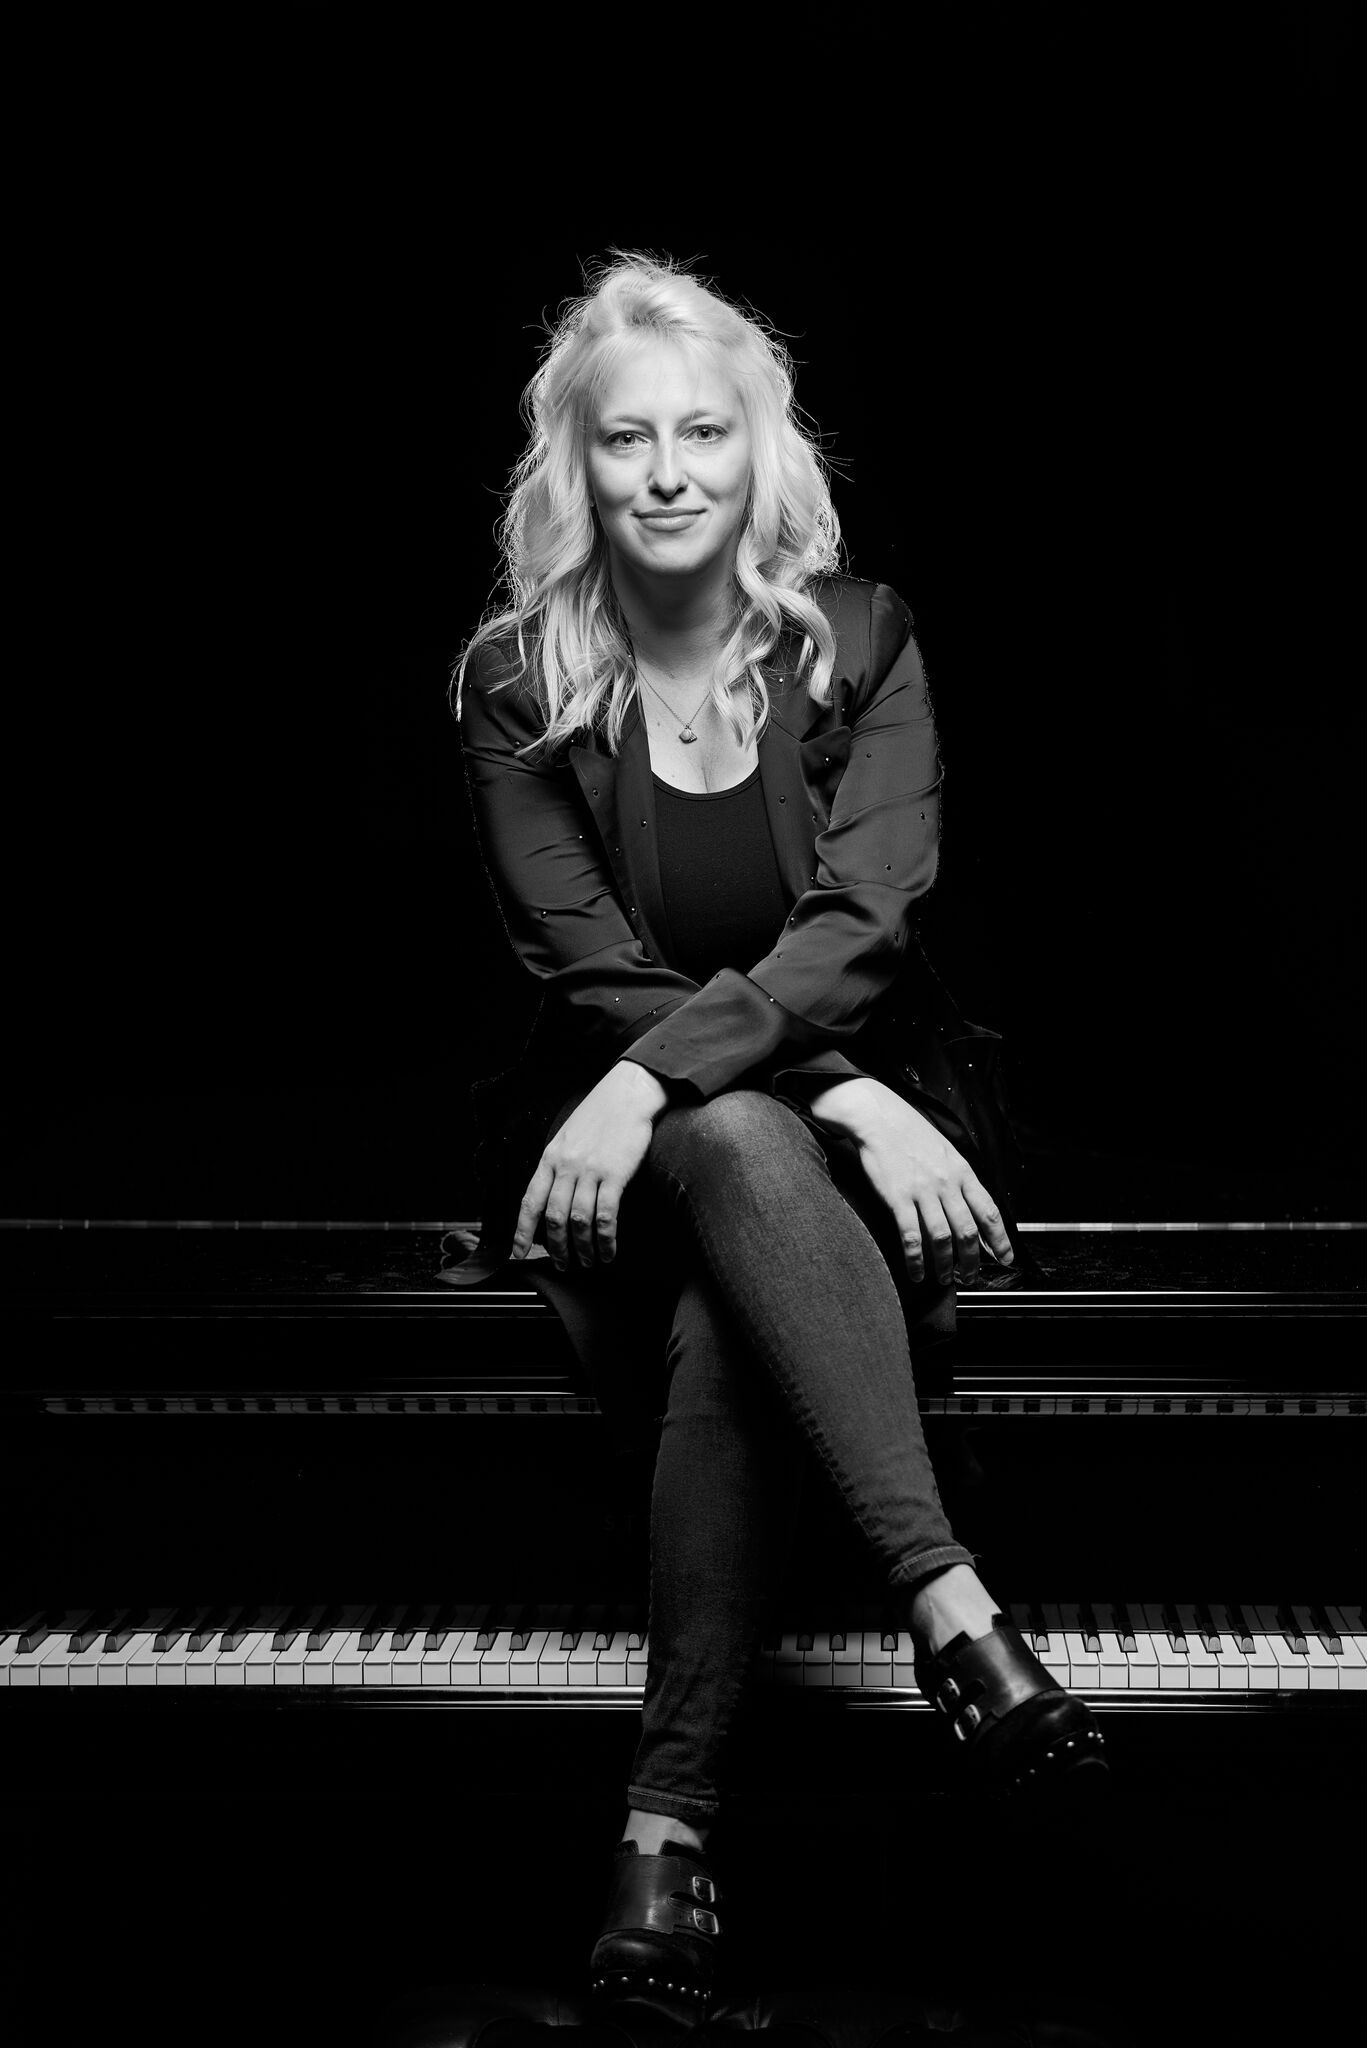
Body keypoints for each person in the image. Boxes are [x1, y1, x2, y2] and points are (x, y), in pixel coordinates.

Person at [449, 250, 1105, 2014]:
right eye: (627, 439)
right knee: (732, 1147)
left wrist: (825, 1079)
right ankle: (960, 1616)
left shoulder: (864, 639)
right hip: (615, 1118)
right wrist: (840, 1095)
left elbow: (863, 924)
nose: (667, 472)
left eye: (705, 434)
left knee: (736, 1224)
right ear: (574, 471)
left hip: (815, 1111)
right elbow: (595, 971)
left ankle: (662, 1843)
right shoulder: (515, 680)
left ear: (761, 456)